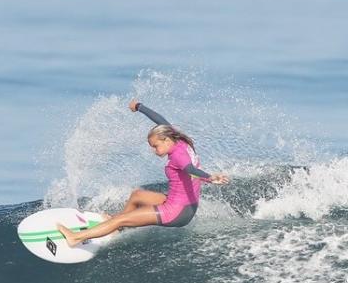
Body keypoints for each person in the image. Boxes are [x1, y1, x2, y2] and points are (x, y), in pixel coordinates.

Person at [57, 100, 229, 246]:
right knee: (137, 195)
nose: (155, 151)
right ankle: (117, 228)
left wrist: (210, 177)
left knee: (118, 219)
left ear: (166, 139)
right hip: (185, 205)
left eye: (156, 146)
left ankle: (76, 237)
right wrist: (139, 106)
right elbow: (160, 120)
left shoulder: (178, 156)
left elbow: (190, 170)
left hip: (176, 212)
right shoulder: (180, 140)